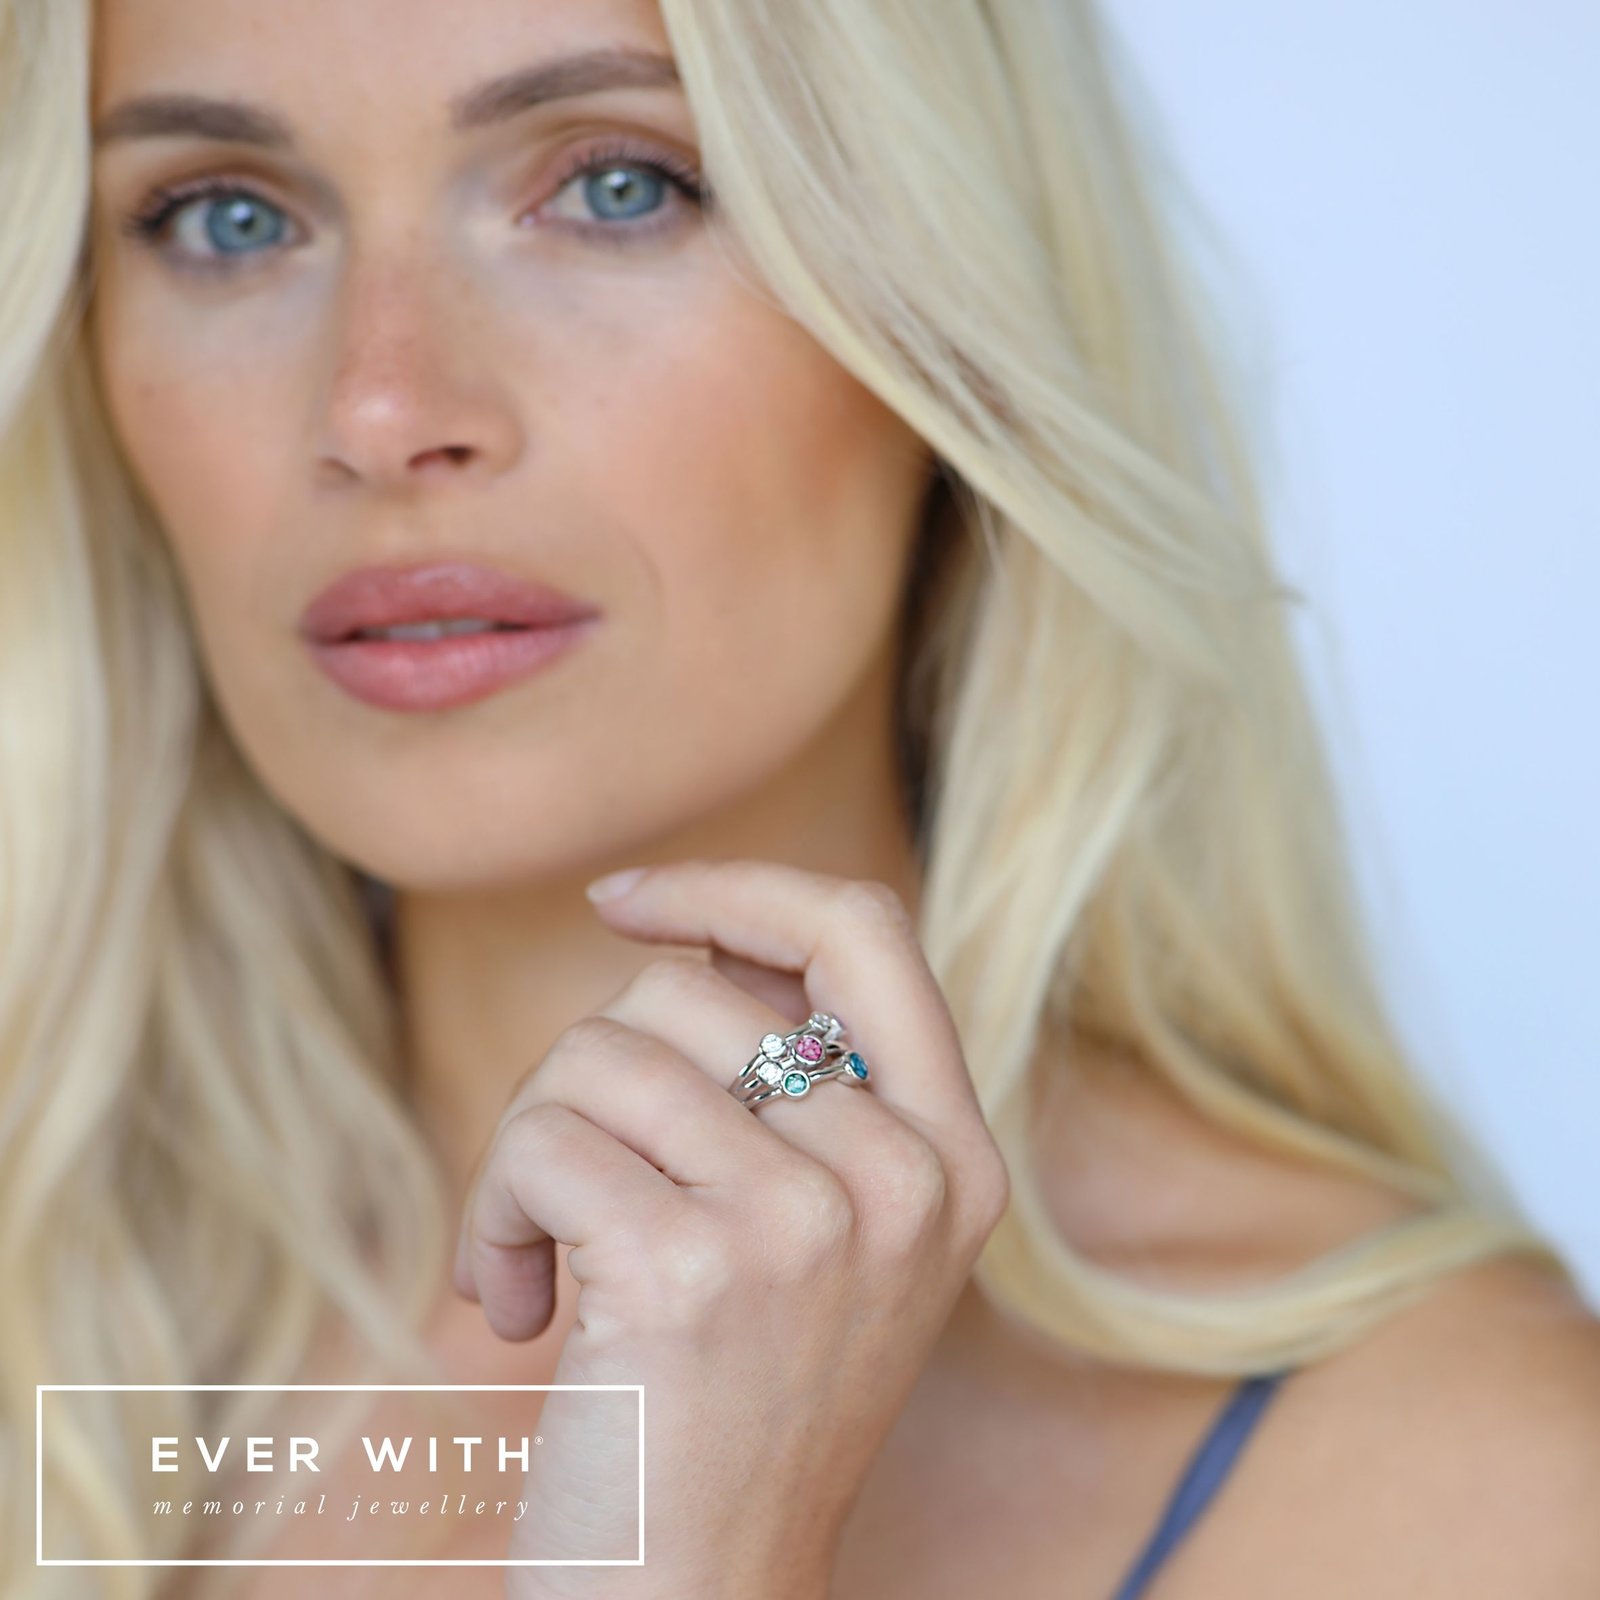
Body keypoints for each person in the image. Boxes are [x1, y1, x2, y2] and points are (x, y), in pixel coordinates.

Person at [3, 0, 1597, 1594]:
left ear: (940, 305)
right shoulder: (52, 1304)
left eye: (619, 187)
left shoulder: (1464, 1491)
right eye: (224, 218)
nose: (380, 410)